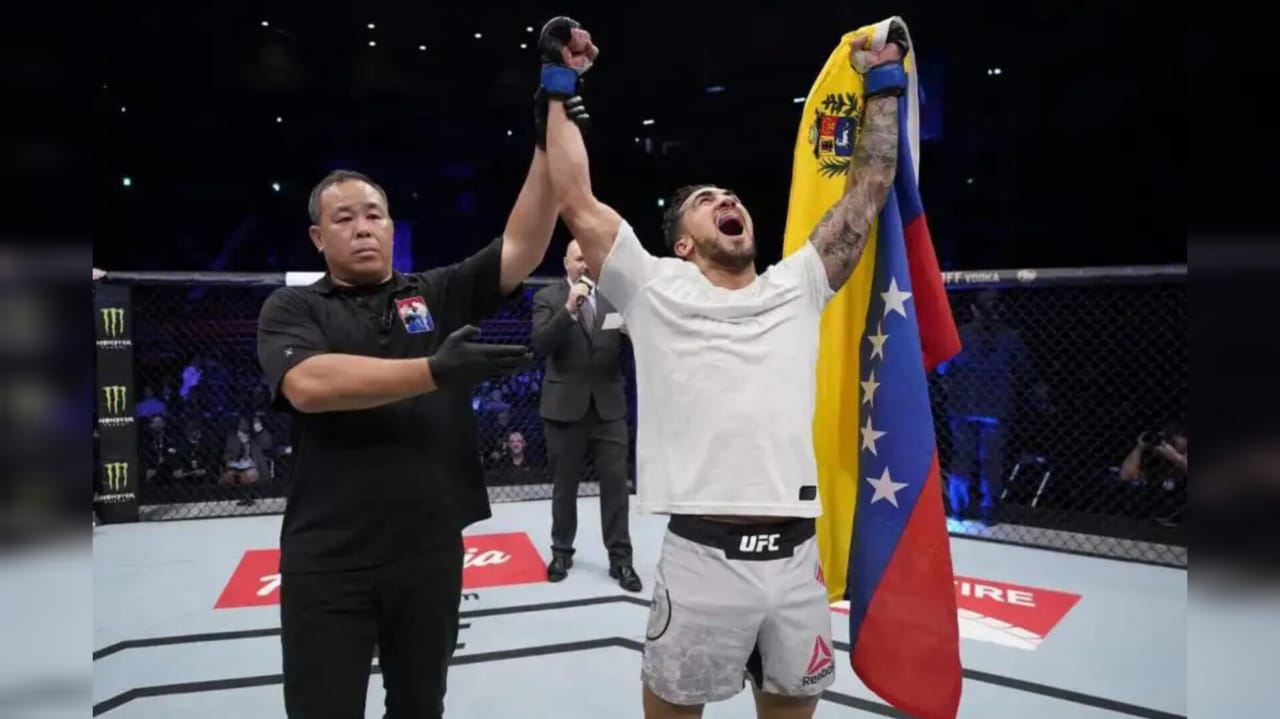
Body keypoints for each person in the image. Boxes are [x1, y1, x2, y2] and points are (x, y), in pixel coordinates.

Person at [536, 16, 907, 719]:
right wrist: (559, 84)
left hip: (796, 560)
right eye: (706, 202)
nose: (727, 201)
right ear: (681, 242)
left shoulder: (798, 284)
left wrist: (883, 86)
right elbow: (576, 198)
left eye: (731, 197)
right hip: (703, 559)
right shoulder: (651, 285)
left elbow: (866, 194)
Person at [255, 87, 589, 718]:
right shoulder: (294, 306)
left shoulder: (433, 293)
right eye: (345, 219)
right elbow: (309, 385)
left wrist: (547, 133)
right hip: (329, 558)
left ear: (391, 225)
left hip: (430, 551)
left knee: (420, 707)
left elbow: (522, 245)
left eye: (374, 215)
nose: (363, 227)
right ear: (318, 236)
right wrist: (433, 371)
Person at [530, 239, 640, 591]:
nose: (586, 264)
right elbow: (540, 344)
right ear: (566, 262)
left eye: (590, 258)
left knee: (616, 488)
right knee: (564, 488)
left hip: (609, 407)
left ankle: (621, 560)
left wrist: (633, 333)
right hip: (564, 408)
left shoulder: (612, 298)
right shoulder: (548, 297)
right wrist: (569, 308)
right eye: (579, 258)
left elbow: (634, 344)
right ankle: (561, 553)